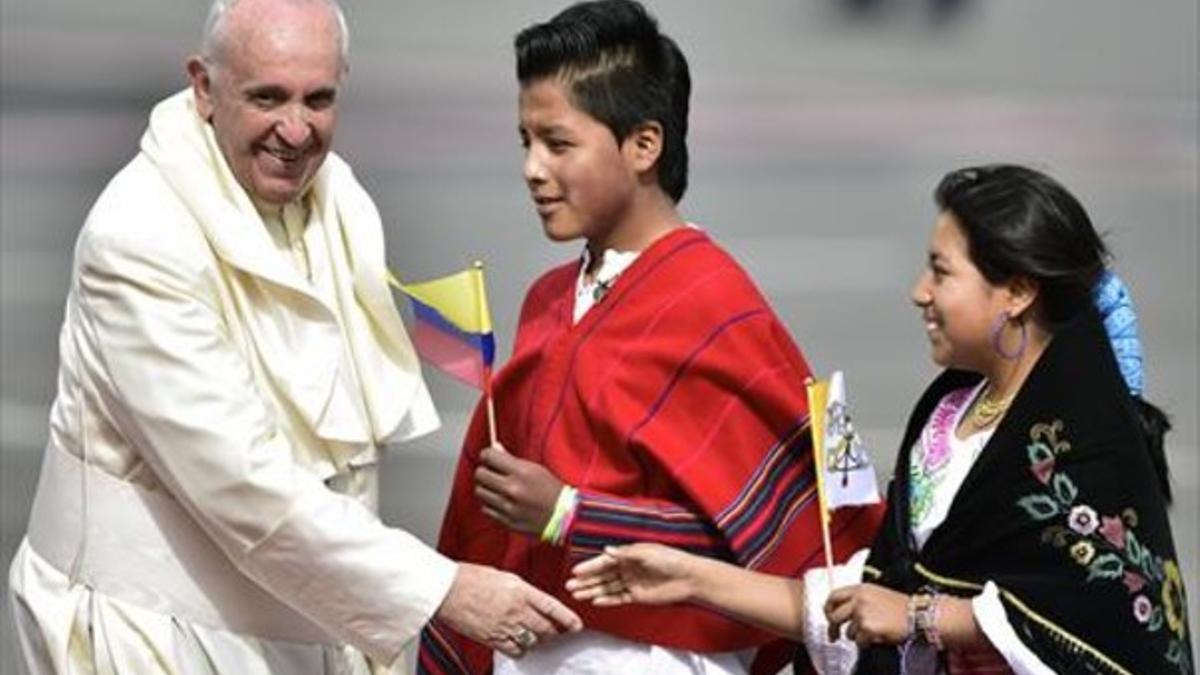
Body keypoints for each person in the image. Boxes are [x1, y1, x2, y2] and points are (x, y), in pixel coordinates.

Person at [6, 1, 582, 672]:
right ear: (203, 87)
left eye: (319, 99)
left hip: (312, 615)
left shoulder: (339, 201)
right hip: (149, 629)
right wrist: (440, 588)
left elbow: (345, 465)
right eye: (267, 97)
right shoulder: (138, 238)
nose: (295, 128)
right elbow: (242, 483)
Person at [569, 164, 1193, 674]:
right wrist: (689, 577)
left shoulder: (1084, 444)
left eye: (942, 271)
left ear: (1018, 291)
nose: (919, 291)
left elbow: (1094, 621)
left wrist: (921, 616)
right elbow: (868, 598)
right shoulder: (950, 414)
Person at [416, 2, 881, 674]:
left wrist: (569, 513)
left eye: (558, 142)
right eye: (526, 141)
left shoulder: (714, 303)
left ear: (644, 145)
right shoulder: (547, 298)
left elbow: (773, 542)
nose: (533, 169)